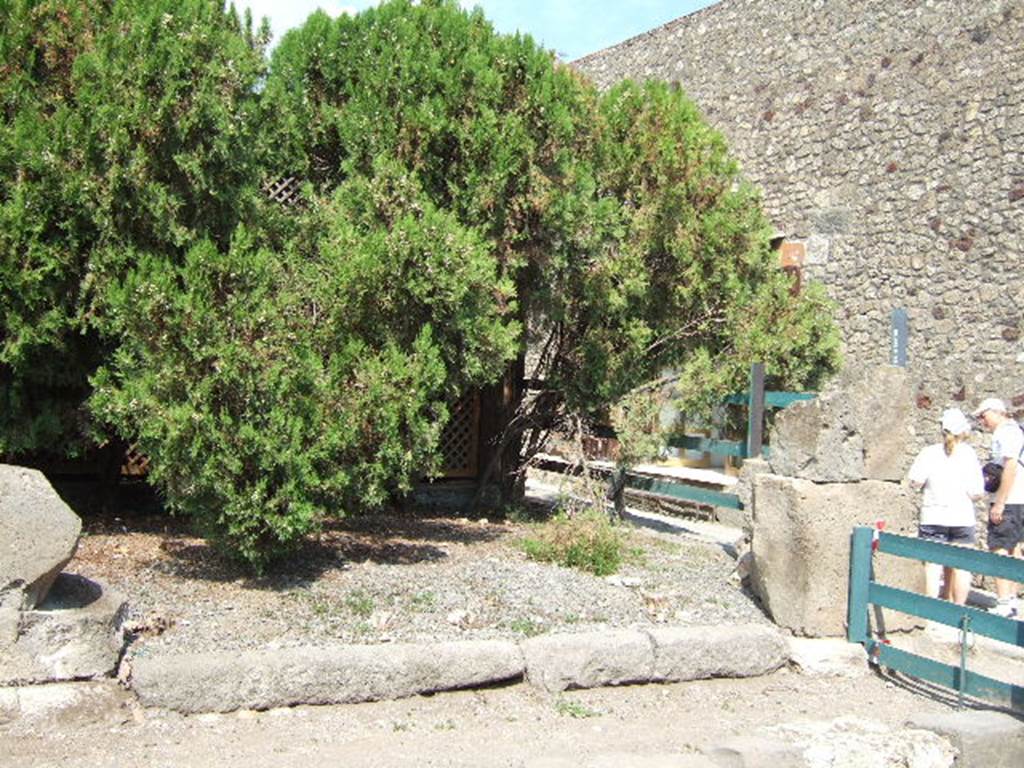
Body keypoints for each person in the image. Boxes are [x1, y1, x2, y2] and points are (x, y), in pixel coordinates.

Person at [907, 408, 983, 605]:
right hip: (962, 516)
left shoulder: (929, 453)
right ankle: (959, 610)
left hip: (933, 514)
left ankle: (931, 613)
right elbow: (977, 492)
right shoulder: (969, 455)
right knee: (962, 566)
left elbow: (915, 481)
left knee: (933, 566)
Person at [973, 397, 1024, 618]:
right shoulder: (1015, 431)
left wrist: (1000, 502)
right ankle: (1011, 599)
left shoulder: (1006, 433)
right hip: (1019, 499)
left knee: (1000, 547)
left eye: (983, 416)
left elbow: (1010, 467)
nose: (982, 422)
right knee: (1015, 548)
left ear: (995, 412)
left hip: (1010, 500)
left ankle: (1004, 601)